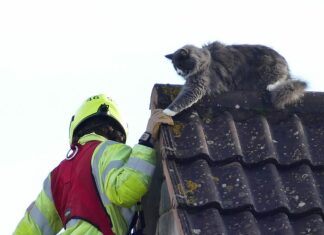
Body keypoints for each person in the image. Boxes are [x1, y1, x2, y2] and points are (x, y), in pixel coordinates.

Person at [13, 94, 174, 235]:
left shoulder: (55, 177)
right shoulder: (110, 150)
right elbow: (125, 190)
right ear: (118, 131)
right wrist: (146, 142)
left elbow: (29, 229)